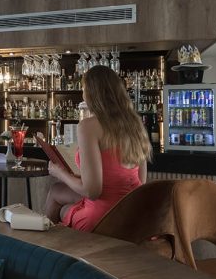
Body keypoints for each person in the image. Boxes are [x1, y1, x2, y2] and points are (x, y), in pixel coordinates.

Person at [44, 65, 150, 232]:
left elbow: (92, 191)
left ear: (91, 93)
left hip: (105, 216)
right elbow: (141, 181)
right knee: (56, 191)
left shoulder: (88, 126)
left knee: (62, 207)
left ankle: (50, 251)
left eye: (84, 88)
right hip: (134, 211)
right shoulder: (135, 124)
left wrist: (60, 173)